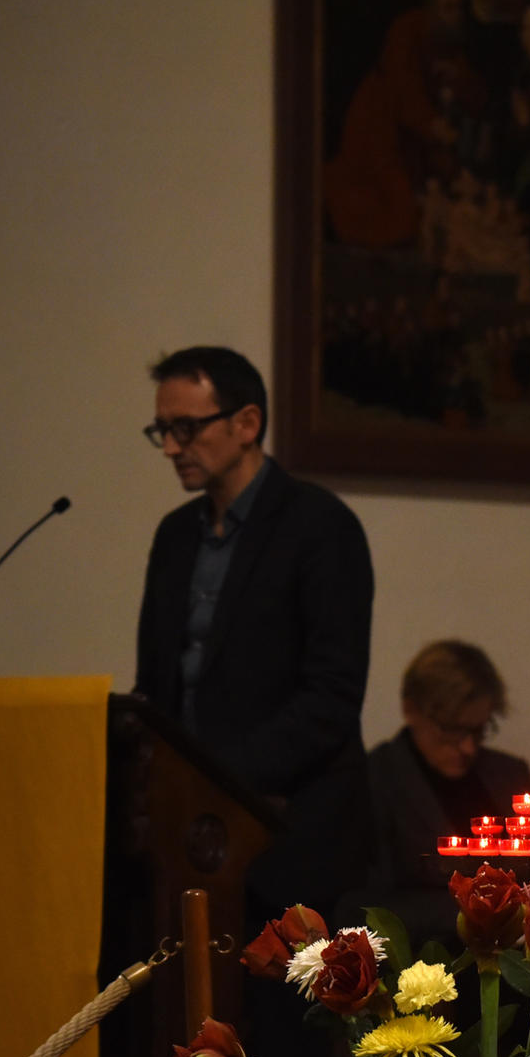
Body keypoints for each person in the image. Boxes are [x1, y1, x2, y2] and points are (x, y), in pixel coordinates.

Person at [135, 346, 375, 914]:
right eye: (162, 430)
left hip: (290, 832)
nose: (171, 447)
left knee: (270, 1002)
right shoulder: (175, 536)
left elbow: (331, 696)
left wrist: (218, 781)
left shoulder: (320, 526)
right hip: (189, 835)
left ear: (247, 423)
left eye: (187, 428)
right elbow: (158, 686)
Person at [359, 641, 530, 946]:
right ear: (411, 710)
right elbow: (368, 906)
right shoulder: (374, 779)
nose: (467, 747)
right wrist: (480, 915)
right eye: (452, 730)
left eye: (478, 731)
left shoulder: (509, 775)